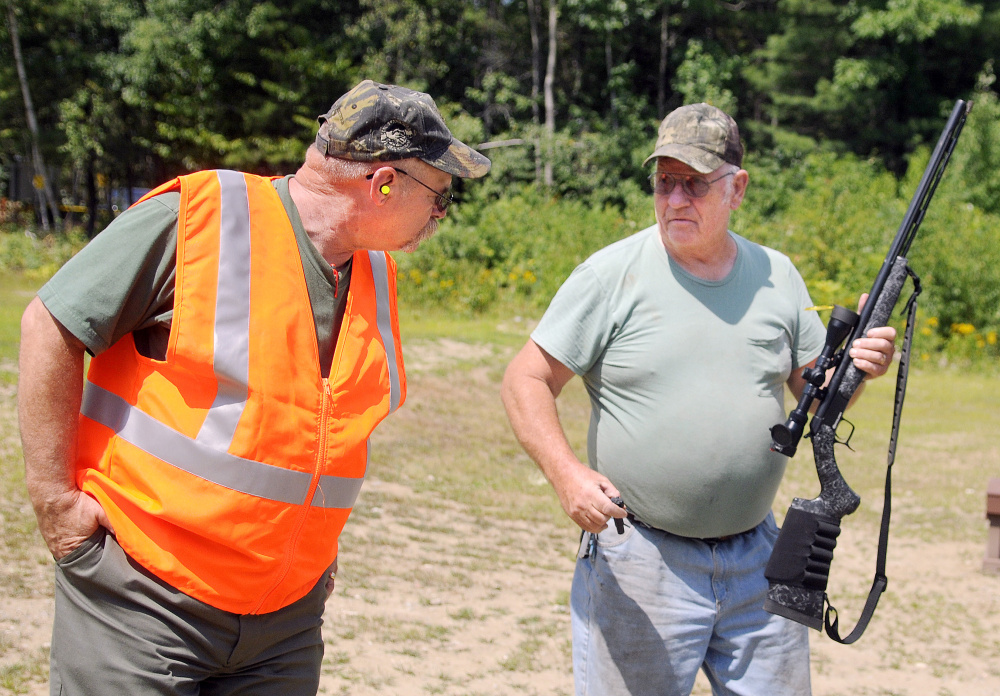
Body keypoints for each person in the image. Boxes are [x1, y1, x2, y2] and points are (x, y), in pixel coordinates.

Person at [18, 79, 490, 695]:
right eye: (439, 193)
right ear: (383, 183)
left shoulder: (375, 272)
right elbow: (51, 325)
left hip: (285, 622)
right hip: (143, 599)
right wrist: (55, 503)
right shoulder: (200, 220)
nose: (440, 213)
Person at [500, 103, 896, 696]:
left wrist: (861, 367)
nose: (676, 199)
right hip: (639, 561)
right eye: (665, 182)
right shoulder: (610, 275)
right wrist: (567, 477)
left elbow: (817, 402)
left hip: (759, 561)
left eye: (695, 183)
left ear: (736, 188)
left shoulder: (777, 275)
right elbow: (525, 379)